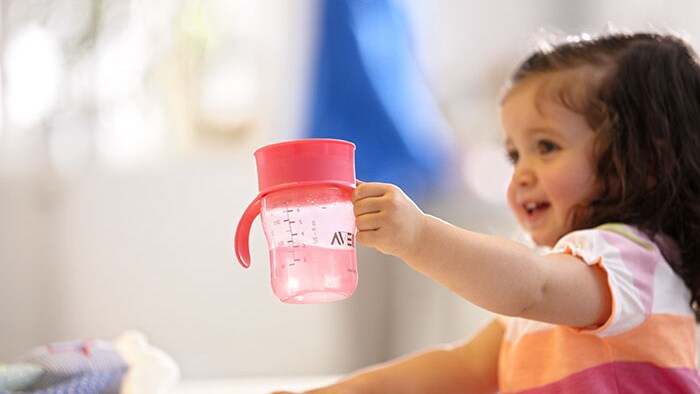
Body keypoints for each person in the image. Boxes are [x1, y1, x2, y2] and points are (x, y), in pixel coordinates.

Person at [276, 31, 700, 393]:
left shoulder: (628, 262)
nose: (523, 174)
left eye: (546, 147)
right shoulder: (566, 286)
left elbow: (533, 288)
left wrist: (419, 236)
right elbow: (458, 367)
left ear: (646, 163)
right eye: (515, 155)